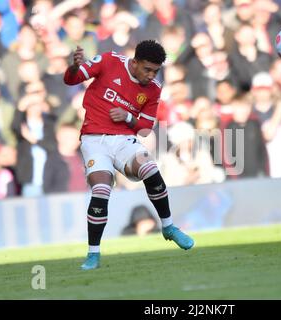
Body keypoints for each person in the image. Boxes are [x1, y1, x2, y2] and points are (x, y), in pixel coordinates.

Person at [63, 40, 195, 270]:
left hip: (124, 140)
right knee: (102, 190)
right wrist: (74, 67)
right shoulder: (108, 61)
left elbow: (144, 127)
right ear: (134, 63)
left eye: (156, 71)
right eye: (147, 69)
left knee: (150, 168)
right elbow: (71, 79)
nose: (151, 76)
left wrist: (127, 117)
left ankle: (168, 226)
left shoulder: (153, 89)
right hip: (94, 140)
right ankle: (93, 253)